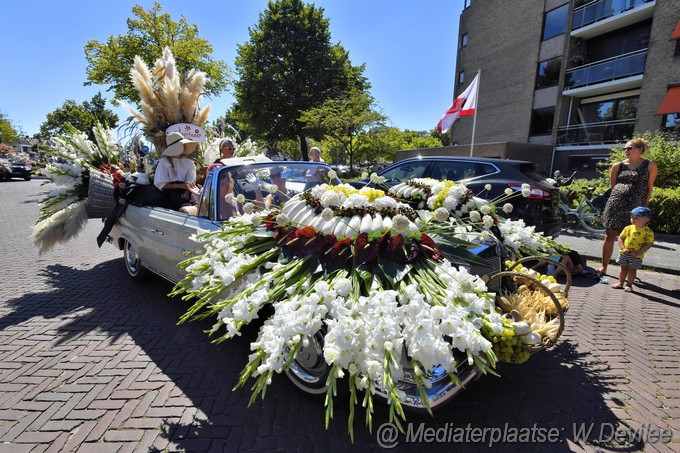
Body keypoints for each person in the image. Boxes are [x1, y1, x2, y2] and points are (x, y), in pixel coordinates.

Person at [599, 137, 657, 275]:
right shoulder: (617, 166)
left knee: (634, 238)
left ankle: (628, 271)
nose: (626, 150)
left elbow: (650, 187)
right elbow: (614, 187)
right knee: (610, 235)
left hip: (637, 206)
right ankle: (604, 266)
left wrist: (645, 205)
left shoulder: (650, 165)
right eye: (625, 148)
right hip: (616, 203)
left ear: (640, 149)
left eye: (629, 148)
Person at [611, 207, 654, 292]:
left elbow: (649, 244)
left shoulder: (648, 232)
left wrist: (638, 252)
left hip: (637, 255)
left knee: (632, 270)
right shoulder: (628, 228)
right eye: (632, 217)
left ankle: (629, 285)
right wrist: (623, 248)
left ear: (646, 219)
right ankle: (620, 283)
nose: (632, 219)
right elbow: (620, 238)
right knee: (623, 268)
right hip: (624, 253)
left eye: (636, 217)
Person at [154, 132, 200, 210]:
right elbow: (162, 184)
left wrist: (187, 192)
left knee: (198, 205)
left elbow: (191, 180)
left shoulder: (189, 162)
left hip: (188, 190)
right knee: (187, 207)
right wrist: (181, 186)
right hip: (172, 191)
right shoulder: (164, 162)